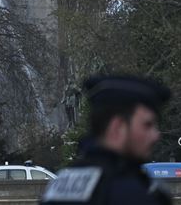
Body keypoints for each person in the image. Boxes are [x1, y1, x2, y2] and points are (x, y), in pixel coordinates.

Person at [39, 74, 172, 205]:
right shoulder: (132, 193)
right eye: (147, 125)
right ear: (117, 127)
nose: (156, 135)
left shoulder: (59, 184)